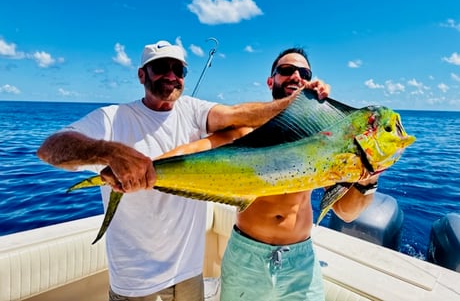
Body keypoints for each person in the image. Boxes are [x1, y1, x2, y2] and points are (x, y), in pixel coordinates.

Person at [36, 40, 303, 301]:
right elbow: (50, 149)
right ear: (142, 75)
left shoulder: (192, 110)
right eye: (162, 67)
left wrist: (302, 102)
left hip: (188, 274)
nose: (171, 76)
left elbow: (239, 115)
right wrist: (109, 152)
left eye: (179, 70)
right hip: (135, 281)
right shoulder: (113, 118)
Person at [163, 47, 378, 301]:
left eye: (303, 73)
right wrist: (142, 167)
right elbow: (196, 152)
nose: (295, 76)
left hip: (301, 264)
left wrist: (369, 178)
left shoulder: (325, 140)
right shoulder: (247, 133)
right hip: (247, 261)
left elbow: (346, 212)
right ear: (271, 81)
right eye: (286, 71)